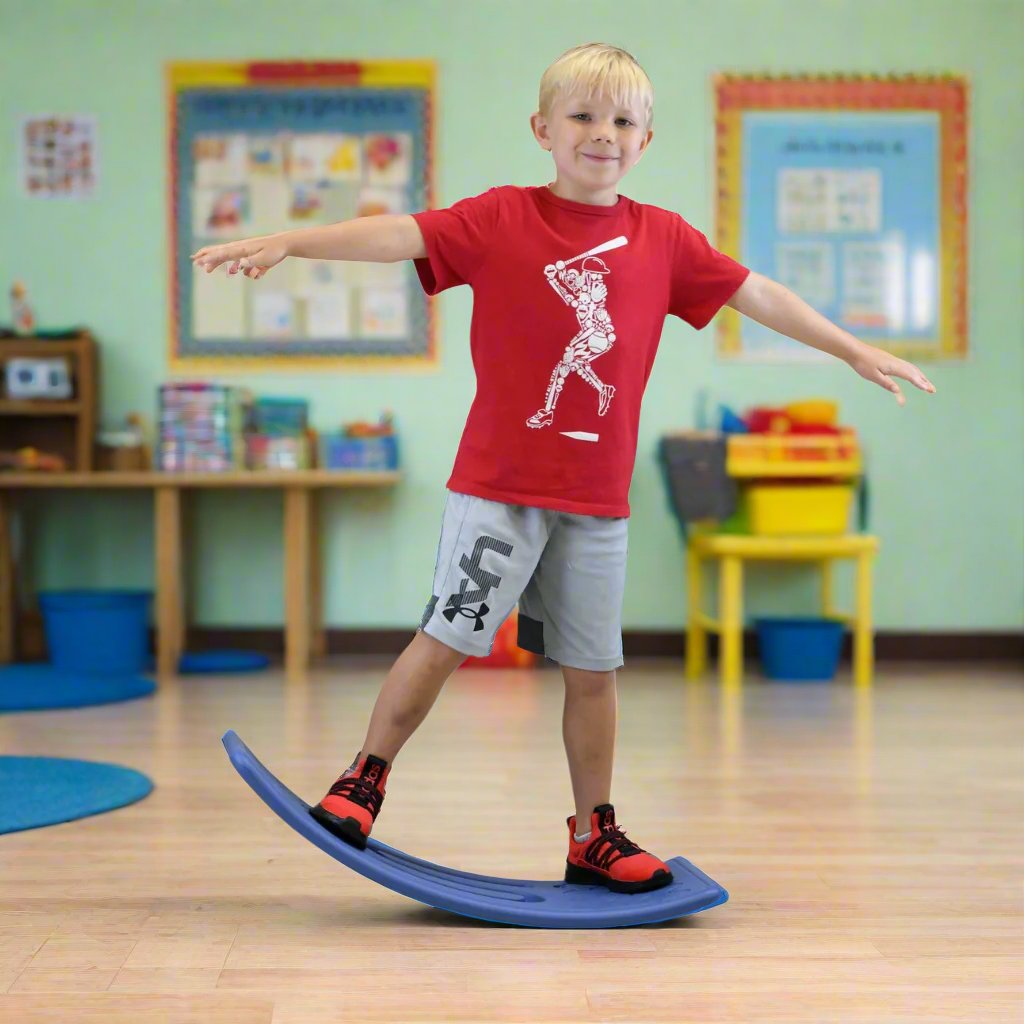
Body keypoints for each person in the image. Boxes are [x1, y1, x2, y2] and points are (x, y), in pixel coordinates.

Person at [192, 43, 935, 895]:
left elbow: (755, 292)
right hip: (499, 489)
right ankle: (364, 777)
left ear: (646, 139)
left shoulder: (663, 238)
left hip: (596, 503)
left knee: (594, 672)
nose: (603, 134)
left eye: (622, 121)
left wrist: (852, 350)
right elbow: (402, 233)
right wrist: (291, 241)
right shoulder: (502, 218)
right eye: (582, 116)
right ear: (543, 128)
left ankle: (594, 833)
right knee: (445, 641)